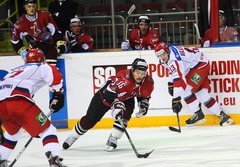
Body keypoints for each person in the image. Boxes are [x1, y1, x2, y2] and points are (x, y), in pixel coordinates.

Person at [62, 58, 154, 151]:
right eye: (137, 73)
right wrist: (116, 104)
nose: (140, 76)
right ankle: (73, 136)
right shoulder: (123, 79)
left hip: (127, 98)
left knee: (125, 115)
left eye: (142, 73)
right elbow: (109, 92)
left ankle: (114, 137)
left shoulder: (148, 81)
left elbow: (143, 95)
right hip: (104, 96)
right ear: (132, 70)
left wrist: (143, 104)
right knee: (90, 120)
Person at [0, 48, 66, 167]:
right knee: (47, 130)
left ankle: (1, 160)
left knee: (12, 134)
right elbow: (54, 74)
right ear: (41, 58)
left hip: (1, 106)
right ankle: (54, 161)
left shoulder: (14, 70)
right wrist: (58, 94)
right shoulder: (41, 66)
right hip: (18, 103)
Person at [154, 42, 234, 127]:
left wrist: (176, 99)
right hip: (194, 65)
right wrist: (170, 84)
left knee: (185, 90)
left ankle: (198, 114)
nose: (162, 58)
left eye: (163, 54)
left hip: (200, 66)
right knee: (202, 95)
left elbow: (180, 80)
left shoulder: (175, 60)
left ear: (167, 51)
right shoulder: (167, 57)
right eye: (159, 55)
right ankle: (224, 117)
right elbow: (173, 71)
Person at [10, 0, 67, 66]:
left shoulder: (45, 15)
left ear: (36, 7)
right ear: (25, 8)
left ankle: (50, 70)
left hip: (50, 45)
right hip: (35, 48)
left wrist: (60, 43)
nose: (31, 8)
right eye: (29, 6)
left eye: (33, 6)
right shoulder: (20, 23)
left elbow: (55, 31)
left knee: (52, 53)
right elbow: (14, 40)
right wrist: (23, 52)